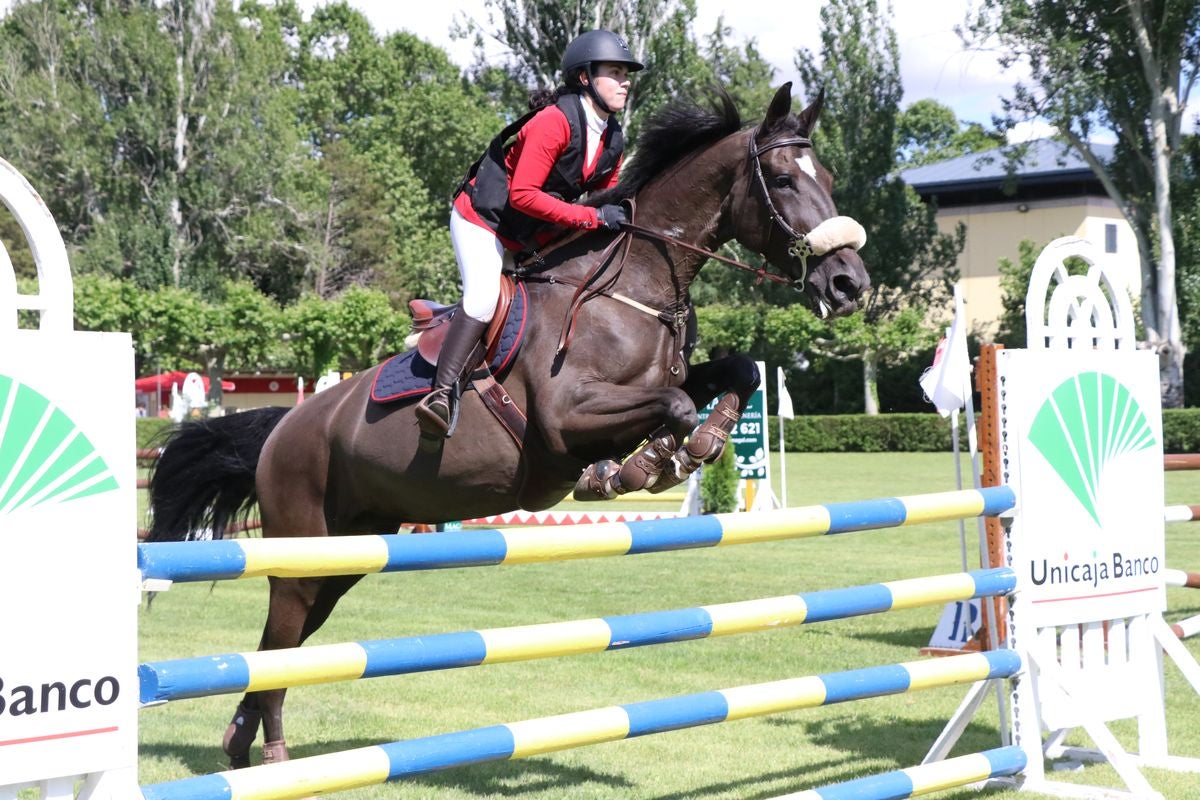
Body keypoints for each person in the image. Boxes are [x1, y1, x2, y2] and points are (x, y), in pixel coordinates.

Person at [415, 29, 643, 439]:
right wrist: (593, 219)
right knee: (483, 299)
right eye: (615, 72)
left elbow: (598, 201)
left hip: (531, 235)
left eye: (627, 73)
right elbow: (522, 195)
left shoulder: (613, 140)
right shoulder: (553, 122)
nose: (625, 81)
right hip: (483, 220)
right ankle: (440, 394)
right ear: (586, 77)